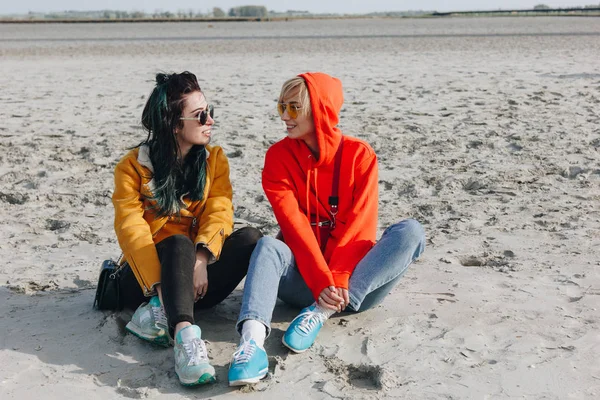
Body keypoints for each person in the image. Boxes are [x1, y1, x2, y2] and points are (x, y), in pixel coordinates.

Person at [226, 72, 426, 386]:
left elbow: (358, 226)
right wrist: (321, 281)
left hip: (355, 287)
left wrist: (334, 285)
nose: (284, 117)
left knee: (411, 232)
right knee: (268, 245)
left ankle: (319, 313)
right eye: (281, 107)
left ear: (319, 110)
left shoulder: (359, 155)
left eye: (293, 108)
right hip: (303, 279)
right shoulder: (277, 158)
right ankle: (251, 344)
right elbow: (295, 227)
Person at [112, 71, 262, 386]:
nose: (210, 120)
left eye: (210, 111)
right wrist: (163, 287)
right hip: (145, 281)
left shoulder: (213, 161)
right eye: (199, 115)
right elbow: (132, 231)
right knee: (178, 242)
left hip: (194, 279)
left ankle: (166, 313)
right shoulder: (132, 167)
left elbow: (219, 210)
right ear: (173, 124)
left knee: (251, 238)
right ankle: (185, 339)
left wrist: (202, 258)